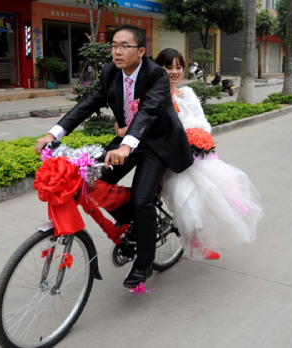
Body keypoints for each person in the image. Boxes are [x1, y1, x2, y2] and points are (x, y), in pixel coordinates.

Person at [35, 25, 193, 288]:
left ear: (141, 51)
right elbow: (88, 104)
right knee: (89, 179)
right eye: (114, 45)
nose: (117, 52)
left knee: (142, 200)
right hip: (126, 140)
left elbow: (149, 112)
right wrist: (55, 133)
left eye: (124, 46)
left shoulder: (156, 75)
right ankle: (129, 220)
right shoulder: (110, 72)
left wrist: (126, 146)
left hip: (157, 143)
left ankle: (144, 263)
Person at [152, 48, 263, 260]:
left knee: (209, 188)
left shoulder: (189, 94)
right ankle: (193, 237)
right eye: (168, 67)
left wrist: (199, 138)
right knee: (187, 194)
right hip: (169, 155)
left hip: (193, 153)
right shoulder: (153, 96)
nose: (174, 72)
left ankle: (200, 239)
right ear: (159, 68)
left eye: (178, 67)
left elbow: (203, 121)